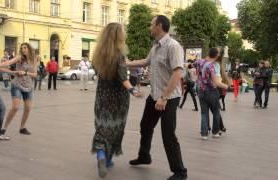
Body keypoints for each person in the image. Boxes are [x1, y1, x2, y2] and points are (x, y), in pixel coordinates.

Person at [126, 15, 187, 180]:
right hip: (154, 96)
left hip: (169, 98)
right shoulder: (155, 47)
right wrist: (126, 63)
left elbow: (177, 73)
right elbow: (146, 62)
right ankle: (144, 156)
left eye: (151, 24)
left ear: (159, 26)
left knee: (168, 134)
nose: (149, 27)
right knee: (145, 126)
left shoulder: (173, 46)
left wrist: (164, 97)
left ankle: (180, 172)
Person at [91, 23, 142, 178]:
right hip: (118, 100)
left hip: (102, 98)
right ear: (119, 36)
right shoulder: (119, 55)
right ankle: (107, 160)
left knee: (101, 128)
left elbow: (96, 71)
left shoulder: (97, 55)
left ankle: (100, 155)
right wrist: (133, 90)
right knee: (115, 129)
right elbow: (122, 78)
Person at [0, 43, 37, 136]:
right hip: (17, 84)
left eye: (25, 48)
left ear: (29, 49)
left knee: (28, 108)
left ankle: (22, 127)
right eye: (22, 48)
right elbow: (8, 63)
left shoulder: (34, 59)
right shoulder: (19, 57)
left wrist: (26, 73)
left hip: (28, 86)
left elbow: (35, 74)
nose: (23, 49)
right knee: (15, 107)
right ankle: (4, 128)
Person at [194, 47, 229, 140]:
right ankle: (215, 132)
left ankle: (204, 134)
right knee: (216, 112)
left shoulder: (199, 62)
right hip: (211, 91)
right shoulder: (212, 66)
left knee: (204, 113)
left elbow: (193, 68)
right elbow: (216, 82)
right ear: (217, 55)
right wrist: (226, 86)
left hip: (200, 90)